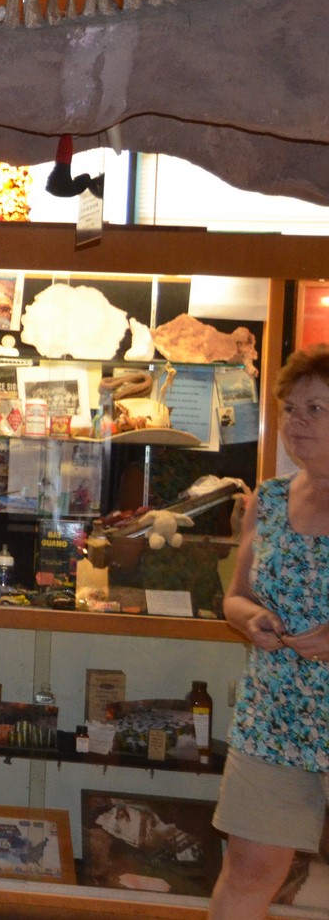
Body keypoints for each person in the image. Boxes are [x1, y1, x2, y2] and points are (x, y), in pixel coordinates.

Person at [209, 345, 329, 917]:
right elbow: (235, 597)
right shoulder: (271, 499)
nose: (296, 422)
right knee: (246, 879)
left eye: (317, 409)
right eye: (291, 408)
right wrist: (248, 617)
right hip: (274, 720)